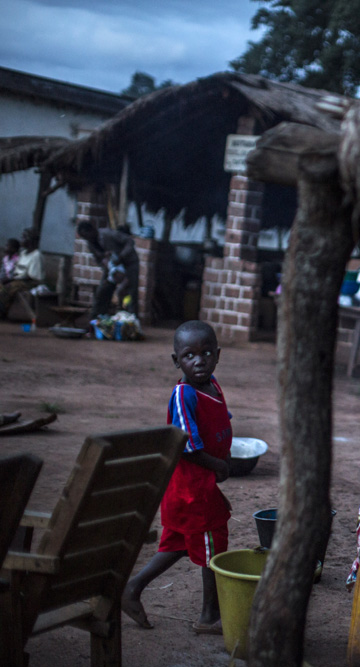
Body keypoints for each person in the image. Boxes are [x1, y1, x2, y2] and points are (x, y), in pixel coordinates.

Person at [123, 321, 232, 634]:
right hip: (192, 490)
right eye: (189, 355)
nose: (199, 361)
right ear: (177, 361)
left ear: (218, 355)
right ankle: (209, 616)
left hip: (196, 487)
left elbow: (218, 420)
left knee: (182, 543)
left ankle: (132, 588)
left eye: (206, 353)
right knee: (212, 545)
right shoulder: (184, 394)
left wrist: (223, 454)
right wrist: (219, 466)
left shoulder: (212, 386)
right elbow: (185, 446)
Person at [76, 221, 139, 318]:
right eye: (84, 237)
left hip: (129, 263)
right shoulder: (90, 244)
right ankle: (96, 320)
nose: (87, 239)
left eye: (87, 235)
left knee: (130, 293)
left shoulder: (109, 234)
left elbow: (130, 241)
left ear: (92, 230)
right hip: (111, 268)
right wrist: (106, 266)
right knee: (102, 291)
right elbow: (98, 260)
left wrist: (121, 257)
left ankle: (131, 320)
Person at [0, 229, 44, 319]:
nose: (21, 240)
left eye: (24, 237)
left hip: (29, 283)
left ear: (30, 241)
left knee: (7, 288)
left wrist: (12, 279)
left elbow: (32, 277)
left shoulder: (36, 255)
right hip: (16, 280)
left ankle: (2, 311)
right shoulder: (23, 253)